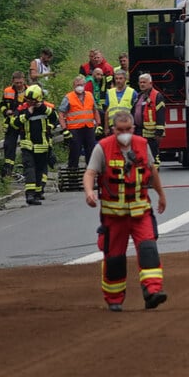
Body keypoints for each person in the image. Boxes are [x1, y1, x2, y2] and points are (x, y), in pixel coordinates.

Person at [83, 110, 168, 312]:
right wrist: (89, 193)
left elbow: (152, 170)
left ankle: (152, 292)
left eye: (128, 129)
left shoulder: (142, 145)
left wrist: (161, 195)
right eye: (120, 130)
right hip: (114, 217)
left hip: (141, 212)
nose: (124, 133)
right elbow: (90, 172)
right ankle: (114, 298)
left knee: (149, 250)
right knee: (114, 259)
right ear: (113, 129)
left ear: (133, 128)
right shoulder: (102, 148)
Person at [14, 85, 56, 205]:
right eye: (28, 100)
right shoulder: (23, 108)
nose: (29, 102)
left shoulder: (46, 108)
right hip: (27, 145)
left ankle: (38, 193)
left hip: (42, 146)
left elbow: (55, 118)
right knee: (29, 169)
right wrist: (27, 113)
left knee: (40, 170)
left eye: (32, 101)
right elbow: (15, 123)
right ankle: (30, 195)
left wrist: (43, 108)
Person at [59, 74, 99, 168]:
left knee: (91, 152)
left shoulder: (89, 95)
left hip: (88, 128)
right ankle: (73, 175)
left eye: (81, 85)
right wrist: (64, 129)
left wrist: (98, 124)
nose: (80, 87)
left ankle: (91, 174)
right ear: (74, 86)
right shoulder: (68, 97)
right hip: (74, 129)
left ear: (84, 85)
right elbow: (61, 113)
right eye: (77, 85)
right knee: (74, 153)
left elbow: (95, 110)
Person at [133, 73, 166, 168]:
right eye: (140, 82)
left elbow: (160, 115)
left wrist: (159, 132)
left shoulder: (157, 96)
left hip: (152, 133)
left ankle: (154, 175)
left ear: (150, 83)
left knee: (153, 155)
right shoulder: (139, 96)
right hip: (140, 130)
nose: (142, 84)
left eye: (144, 82)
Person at [0, 72, 27, 177]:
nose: (19, 84)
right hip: (11, 124)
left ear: (24, 80)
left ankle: (27, 170)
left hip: (25, 124)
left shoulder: (29, 91)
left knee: (26, 146)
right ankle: (8, 170)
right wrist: (6, 111)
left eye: (20, 82)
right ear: (13, 81)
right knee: (9, 146)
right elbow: (2, 105)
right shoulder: (8, 91)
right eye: (17, 83)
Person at [84, 67, 107, 136]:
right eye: (98, 74)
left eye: (101, 75)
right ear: (93, 74)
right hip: (90, 109)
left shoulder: (95, 82)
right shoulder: (90, 82)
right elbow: (87, 97)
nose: (99, 77)